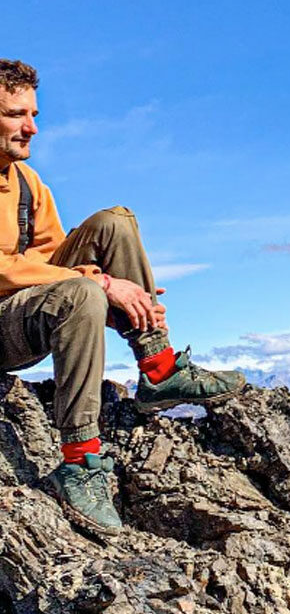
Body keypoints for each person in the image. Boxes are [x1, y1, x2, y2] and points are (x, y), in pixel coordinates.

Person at [0, 59, 245, 535]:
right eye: (15, 114)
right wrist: (103, 286)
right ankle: (79, 461)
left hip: (24, 310)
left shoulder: (26, 182)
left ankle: (159, 369)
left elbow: (51, 256)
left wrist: (110, 282)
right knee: (80, 294)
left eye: (34, 114)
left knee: (114, 222)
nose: (31, 128)